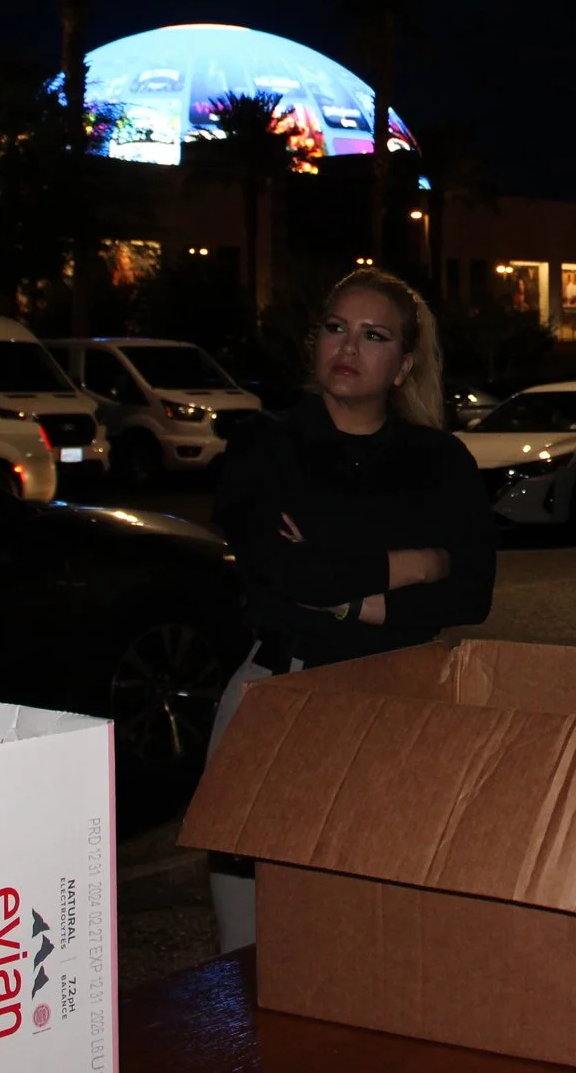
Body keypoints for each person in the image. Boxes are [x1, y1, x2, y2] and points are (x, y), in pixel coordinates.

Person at [205, 266, 495, 950]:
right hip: (277, 696)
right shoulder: (266, 444)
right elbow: (278, 572)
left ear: (404, 363)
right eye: (336, 328)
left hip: (401, 705)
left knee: (379, 938)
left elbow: (469, 595)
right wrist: (413, 565)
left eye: (373, 335)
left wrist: (341, 594)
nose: (349, 347)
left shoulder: (440, 460)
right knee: (255, 948)